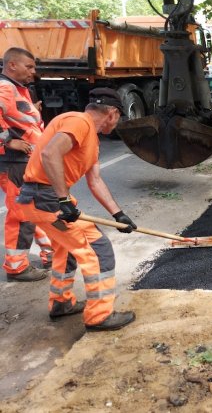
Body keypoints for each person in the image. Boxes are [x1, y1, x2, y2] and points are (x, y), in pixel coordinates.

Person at [16, 87, 137, 331]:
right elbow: (50, 153)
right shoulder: (79, 121)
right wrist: (62, 200)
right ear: (112, 113)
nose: (117, 123)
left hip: (43, 200)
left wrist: (119, 214)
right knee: (98, 249)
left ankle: (61, 302)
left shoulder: (90, 137)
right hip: (47, 200)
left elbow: (95, 181)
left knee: (67, 249)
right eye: (119, 118)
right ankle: (99, 316)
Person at [0, 47, 54, 281]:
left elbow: (17, 118)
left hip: (23, 161)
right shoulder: (5, 87)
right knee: (21, 213)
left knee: (33, 208)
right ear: (12, 65)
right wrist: (10, 141)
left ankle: (50, 251)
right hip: (14, 163)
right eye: (29, 67)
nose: (34, 72)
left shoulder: (17, 88)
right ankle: (16, 266)